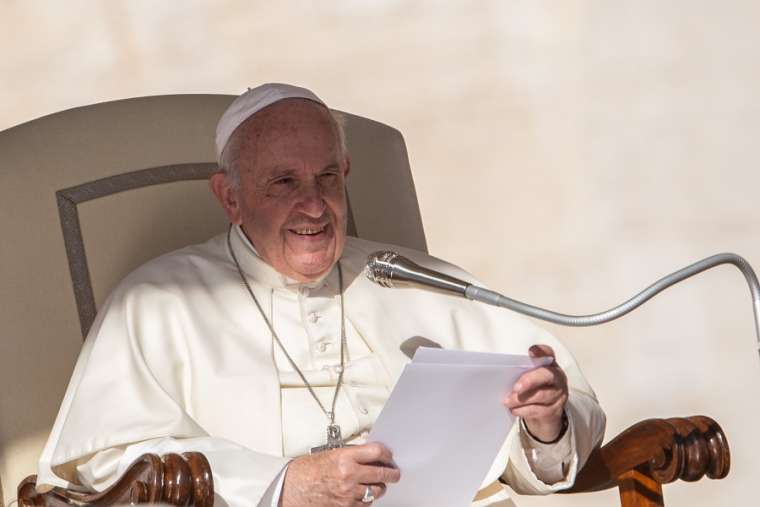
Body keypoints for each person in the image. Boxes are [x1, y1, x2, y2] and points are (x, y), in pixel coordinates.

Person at [36, 83, 606, 507]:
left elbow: (550, 454)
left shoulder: (417, 279)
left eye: (328, 178)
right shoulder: (158, 300)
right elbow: (106, 467)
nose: (313, 205)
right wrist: (284, 483)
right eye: (283, 182)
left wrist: (545, 422)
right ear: (229, 197)